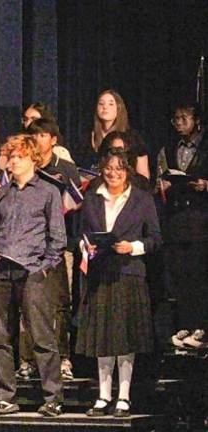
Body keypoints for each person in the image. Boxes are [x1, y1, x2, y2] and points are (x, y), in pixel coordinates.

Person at [0, 135, 66, 417]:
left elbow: (57, 238)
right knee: (0, 335)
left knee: (42, 335)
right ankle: (4, 396)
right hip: (3, 270)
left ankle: (53, 397)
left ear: (32, 158)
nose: (13, 161)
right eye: (11, 156)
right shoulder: (2, 194)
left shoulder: (48, 192)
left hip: (32, 271)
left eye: (19, 156)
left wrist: (43, 266)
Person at [77, 149, 161, 417]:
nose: (113, 174)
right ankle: (103, 396)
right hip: (100, 273)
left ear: (128, 171)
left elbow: (156, 239)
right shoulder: (92, 198)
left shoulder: (142, 199)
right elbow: (82, 235)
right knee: (102, 337)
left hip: (128, 272)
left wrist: (133, 247)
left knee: (125, 337)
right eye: (109, 168)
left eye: (119, 169)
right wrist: (85, 247)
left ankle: (123, 396)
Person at [16, 119, 81, 382]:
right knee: (26, 304)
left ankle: (62, 359)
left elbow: (78, 200)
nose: (39, 139)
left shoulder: (64, 168)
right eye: (35, 135)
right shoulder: (23, 166)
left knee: (59, 304)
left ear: (53, 139)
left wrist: (55, 208)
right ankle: (27, 359)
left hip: (57, 245)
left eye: (44, 135)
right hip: (27, 246)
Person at [156, 104, 208, 348]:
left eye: (183, 118)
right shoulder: (170, 146)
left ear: (196, 120)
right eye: (175, 119)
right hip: (177, 219)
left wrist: (205, 185)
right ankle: (184, 324)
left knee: (199, 274)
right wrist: (164, 185)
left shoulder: (204, 145)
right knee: (179, 274)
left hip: (201, 218)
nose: (178, 123)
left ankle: (201, 326)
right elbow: (160, 175)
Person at [75, 90, 149, 179]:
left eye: (110, 104)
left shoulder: (133, 138)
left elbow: (143, 176)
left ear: (118, 109)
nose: (105, 107)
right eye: (101, 104)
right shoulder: (86, 137)